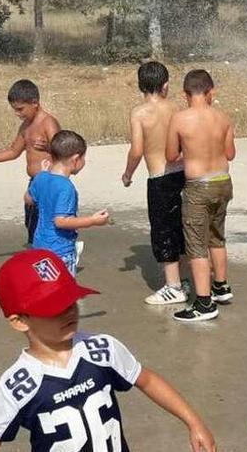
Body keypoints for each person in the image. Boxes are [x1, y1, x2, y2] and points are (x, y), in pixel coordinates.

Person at [0, 249, 216, 452]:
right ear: (19, 321)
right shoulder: (18, 384)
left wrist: (194, 422)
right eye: (53, 308)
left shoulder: (101, 349)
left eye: (70, 301)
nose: (68, 311)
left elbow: (147, 379)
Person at [166, 69, 236, 322]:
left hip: (198, 186)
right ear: (211, 91)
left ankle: (204, 303)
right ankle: (221, 285)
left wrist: (192, 153)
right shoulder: (223, 117)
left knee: (196, 244)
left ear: (185, 94)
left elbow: (171, 155)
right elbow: (230, 154)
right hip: (223, 182)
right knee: (217, 236)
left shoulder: (179, 119)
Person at [121, 61, 188, 305]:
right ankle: (184, 279)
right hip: (182, 174)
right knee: (181, 226)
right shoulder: (176, 108)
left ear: (140, 86)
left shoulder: (139, 113)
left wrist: (128, 174)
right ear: (166, 85)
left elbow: (137, 150)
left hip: (159, 179)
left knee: (163, 231)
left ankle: (173, 287)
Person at [0, 80, 61, 245]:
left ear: (35, 103)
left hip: (50, 182)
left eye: (20, 109)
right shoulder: (26, 126)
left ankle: (51, 255)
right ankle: (39, 255)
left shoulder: (48, 122)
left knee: (45, 225)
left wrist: (48, 146)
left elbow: (63, 150)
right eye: (14, 110)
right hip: (35, 183)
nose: (17, 114)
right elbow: (13, 151)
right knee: (31, 221)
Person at [27, 130, 109, 276]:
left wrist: (42, 174)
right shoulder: (66, 187)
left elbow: (28, 199)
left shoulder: (41, 177)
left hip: (39, 248)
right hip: (59, 252)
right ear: (75, 159)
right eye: (84, 158)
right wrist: (92, 220)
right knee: (63, 292)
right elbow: (61, 221)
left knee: (45, 290)